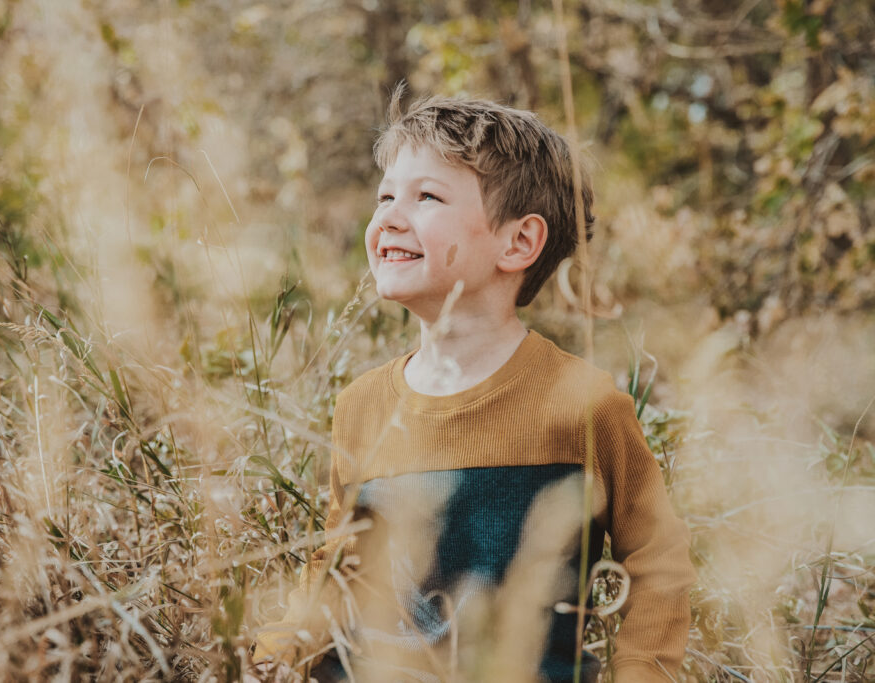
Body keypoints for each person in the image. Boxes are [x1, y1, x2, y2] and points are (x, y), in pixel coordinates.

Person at [250, 92, 695, 683]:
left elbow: (658, 556)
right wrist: (278, 653)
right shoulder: (364, 404)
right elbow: (338, 562)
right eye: (385, 196)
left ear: (518, 243)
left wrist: (642, 671)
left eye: (426, 196)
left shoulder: (586, 405)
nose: (388, 217)